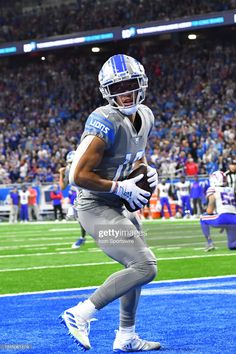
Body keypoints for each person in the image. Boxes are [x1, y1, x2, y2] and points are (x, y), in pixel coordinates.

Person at [60, 54, 160, 352]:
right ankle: (81, 313)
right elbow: (76, 175)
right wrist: (121, 187)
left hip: (117, 204)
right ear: (107, 92)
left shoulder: (146, 116)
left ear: (141, 84)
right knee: (145, 266)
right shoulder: (105, 120)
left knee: (136, 266)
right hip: (94, 206)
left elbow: (137, 156)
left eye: (130, 85)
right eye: (118, 88)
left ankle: (126, 336)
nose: (126, 93)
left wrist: (145, 171)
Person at [200, 170, 236, 251]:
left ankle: (209, 243)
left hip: (223, 217)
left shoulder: (212, 189)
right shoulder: (231, 190)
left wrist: (210, 212)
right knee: (232, 246)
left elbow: (210, 209)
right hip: (234, 219)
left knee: (203, 218)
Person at [59, 151, 87, 249]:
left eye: (73, 162)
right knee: (81, 219)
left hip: (93, 193)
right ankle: (82, 238)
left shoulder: (86, 167)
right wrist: (61, 174)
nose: (71, 165)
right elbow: (62, 187)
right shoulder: (68, 170)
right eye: (69, 163)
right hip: (82, 197)